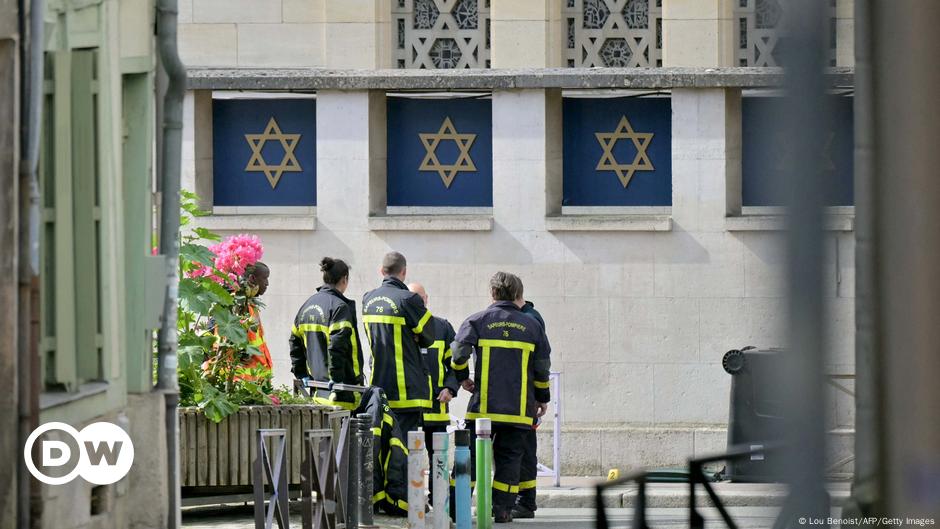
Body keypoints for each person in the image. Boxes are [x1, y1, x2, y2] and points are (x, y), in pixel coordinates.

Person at [451, 272, 551, 523]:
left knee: (471, 457)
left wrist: (462, 376)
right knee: (509, 461)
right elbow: (541, 368)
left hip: (483, 408)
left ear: (492, 293)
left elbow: (458, 354)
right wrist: (542, 398)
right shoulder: (532, 326)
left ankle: (457, 509)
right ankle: (503, 510)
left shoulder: (478, 320)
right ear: (518, 295)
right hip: (517, 411)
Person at [362, 251, 436, 436]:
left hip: (378, 388)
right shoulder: (409, 299)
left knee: (381, 444)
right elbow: (429, 337)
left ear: (381, 271)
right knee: (403, 449)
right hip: (406, 392)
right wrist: (413, 336)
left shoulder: (368, 299)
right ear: (404, 271)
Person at [289, 257, 364, 410]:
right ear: (344, 279)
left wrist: (301, 373)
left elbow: (294, 342)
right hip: (343, 393)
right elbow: (337, 346)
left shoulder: (306, 306)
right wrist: (336, 378)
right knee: (346, 433)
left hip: (318, 392)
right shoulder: (339, 307)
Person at [408, 282, 458, 504]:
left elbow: (456, 364)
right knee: (409, 458)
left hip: (436, 409)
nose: (418, 302)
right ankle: (413, 500)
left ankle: (438, 501)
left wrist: (450, 388)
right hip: (409, 409)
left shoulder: (443, 327)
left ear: (427, 299)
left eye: (420, 298)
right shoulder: (400, 328)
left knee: (438, 459)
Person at [514, 297, 546, 519]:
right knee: (521, 451)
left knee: (524, 452)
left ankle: (525, 502)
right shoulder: (528, 317)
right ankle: (522, 500)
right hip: (522, 397)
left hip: (525, 398)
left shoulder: (529, 319)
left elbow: (540, 361)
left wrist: (540, 396)